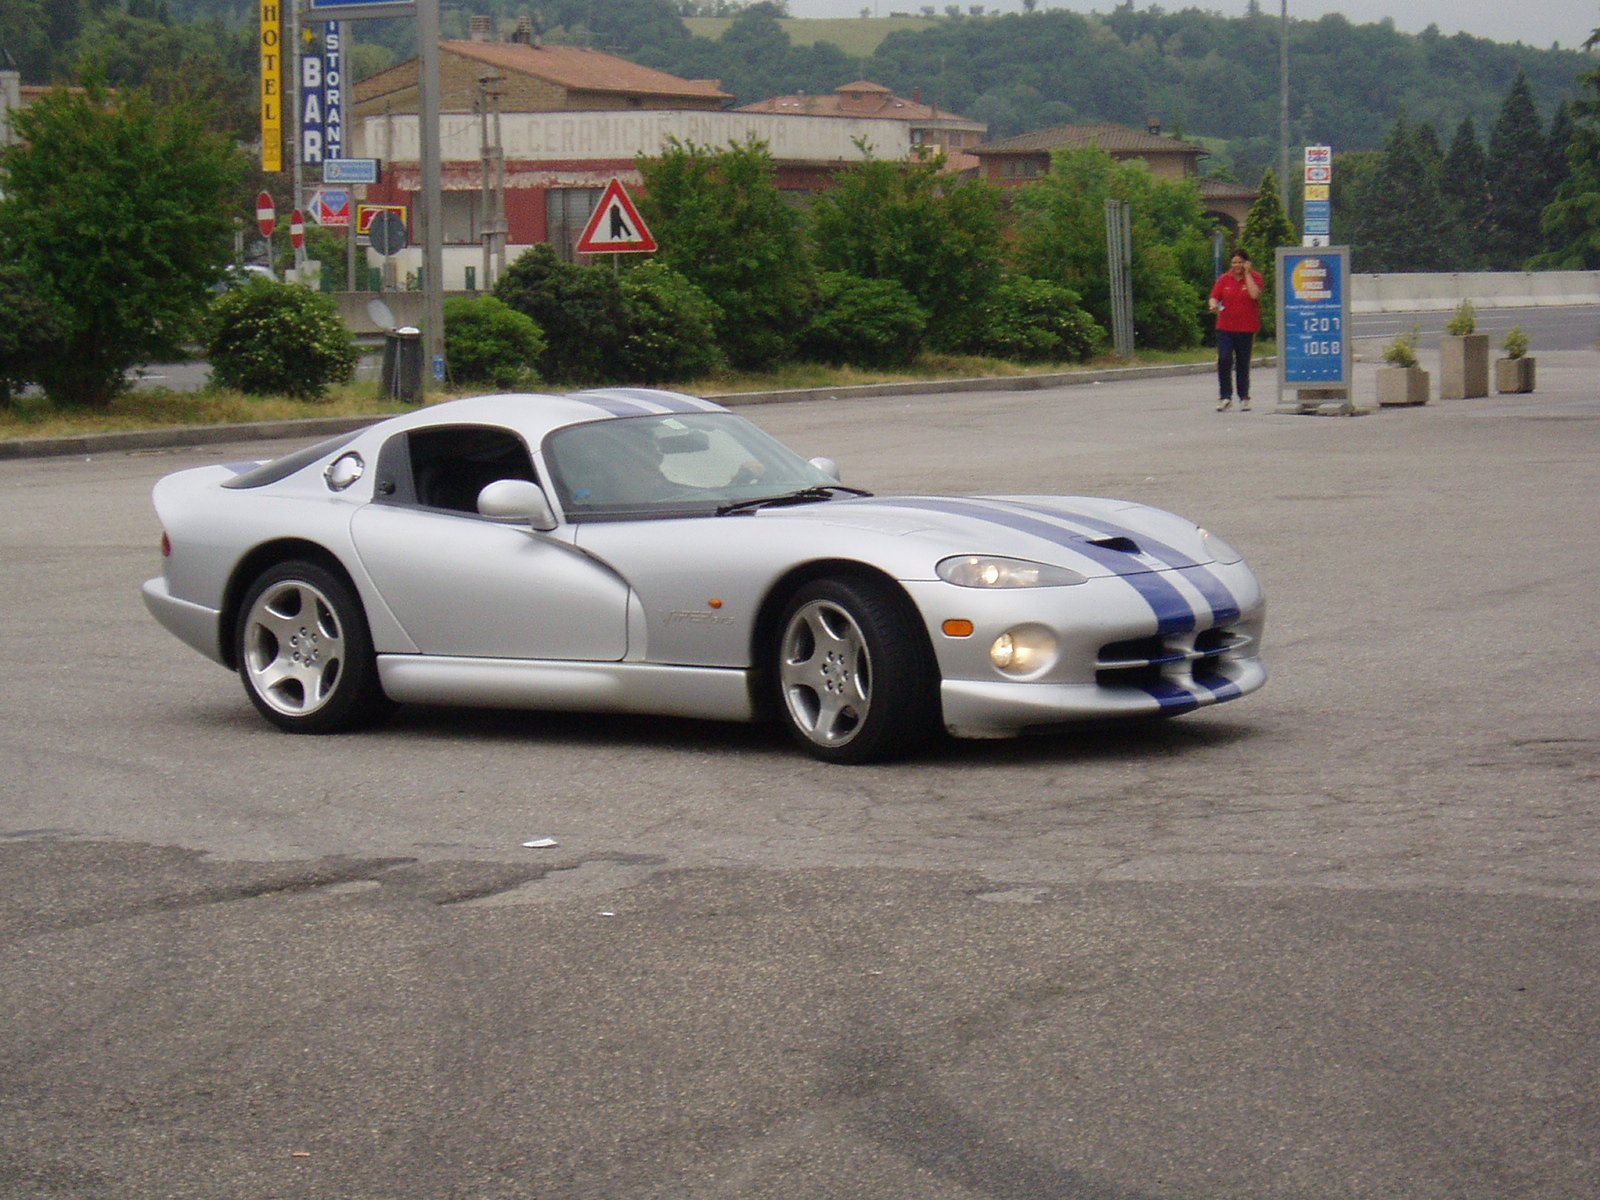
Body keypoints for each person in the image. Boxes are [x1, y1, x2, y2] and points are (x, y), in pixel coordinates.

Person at [1209, 250, 1264, 411]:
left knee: (1243, 363)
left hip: (1246, 328)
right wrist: (1213, 304)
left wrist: (1247, 274)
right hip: (1225, 327)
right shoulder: (1225, 279)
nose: (1237, 266)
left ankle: (1244, 397)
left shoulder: (1255, 278)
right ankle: (1225, 396)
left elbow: (1254, 295)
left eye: (1240, 262)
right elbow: (1214, 296)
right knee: (1224, 360)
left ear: (1246, 263)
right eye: (1234, 262)